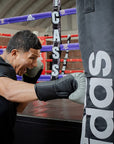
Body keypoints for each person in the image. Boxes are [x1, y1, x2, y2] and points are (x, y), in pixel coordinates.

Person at [0, 30, 85, 144]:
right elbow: (8, 90)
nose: (35, 64)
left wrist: (30, 81)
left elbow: (16, 110)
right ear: (14, 53)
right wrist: (60, 87)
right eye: (32, 58)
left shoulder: (10, 73)